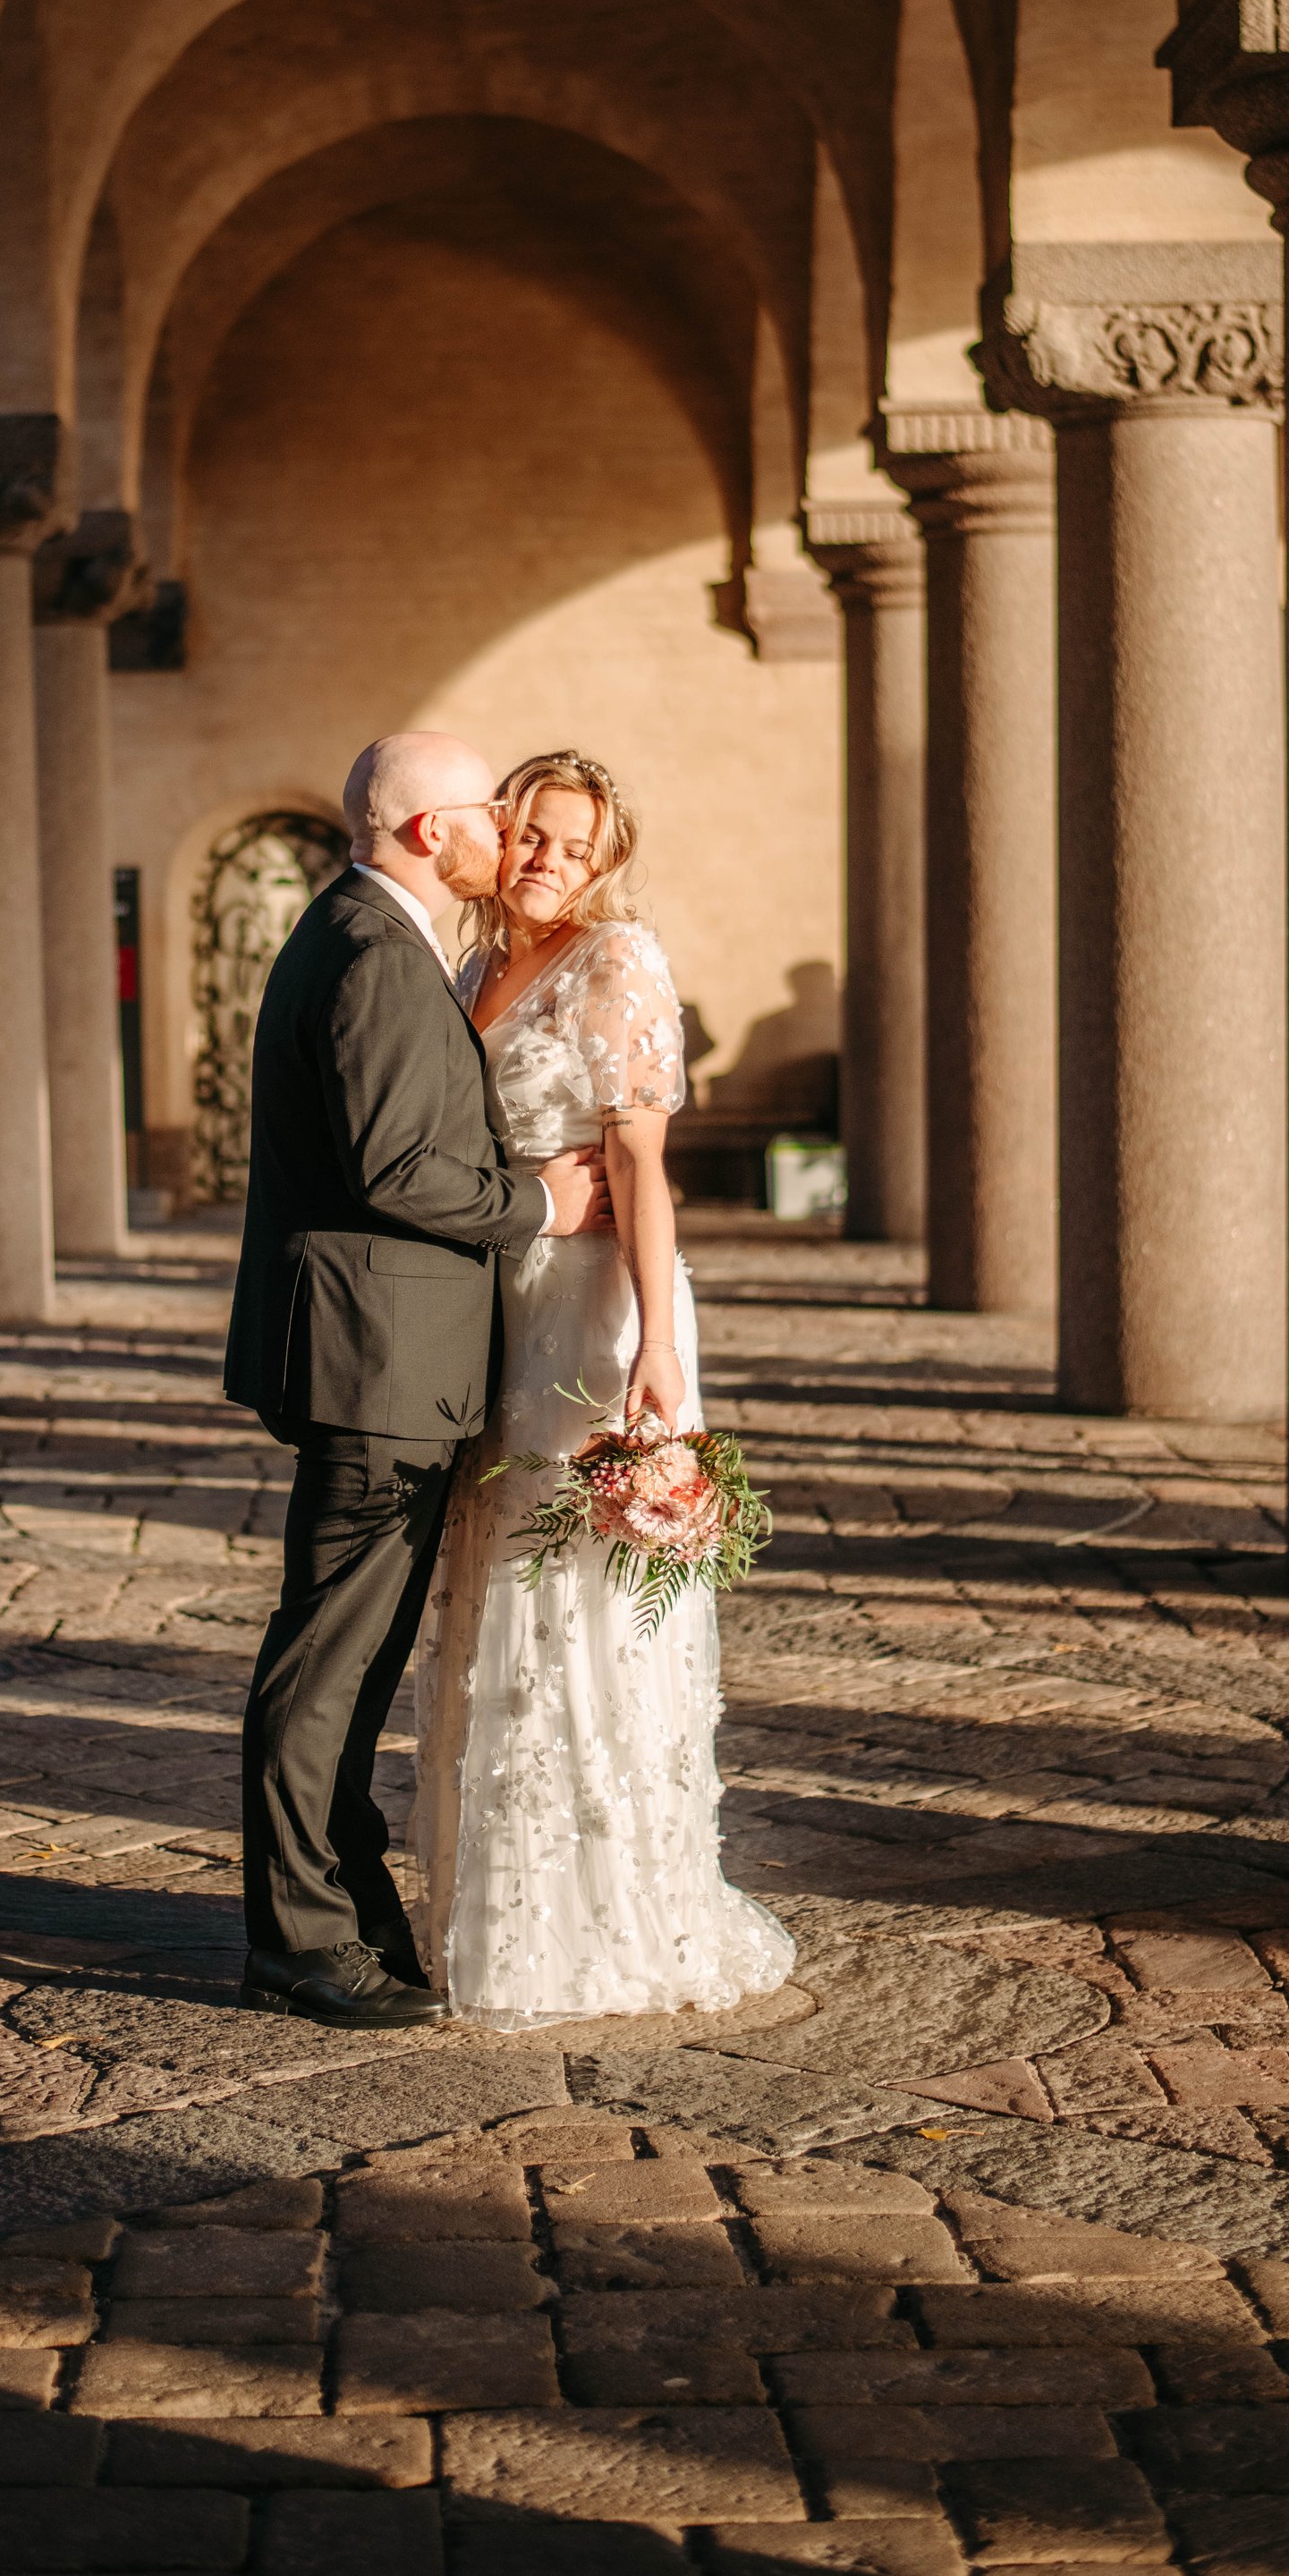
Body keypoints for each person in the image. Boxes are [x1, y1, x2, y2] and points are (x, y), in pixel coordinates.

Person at [228, 730, 614, 2029]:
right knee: (328, 1658)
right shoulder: (376, 955)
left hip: (385, 1355)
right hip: (375, 1360)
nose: (509, 840)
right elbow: (399, 1168)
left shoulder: (374, 937)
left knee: (348, 1650)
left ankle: (339, 1906)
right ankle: (300, 1939)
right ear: (421, 832)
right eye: (488, 818)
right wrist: (543, 1205)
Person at [411, 749, 794, 2026]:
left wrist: (659, 1347)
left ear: (602, 864)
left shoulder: (613, 963)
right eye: (531, 836)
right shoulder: (472, 969)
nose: (546, 863)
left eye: (574, 849)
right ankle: (491, 1903)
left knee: (574, 1590)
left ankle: (603, 1913)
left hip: (593, 1302)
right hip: (500, 1306)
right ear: (498, 833)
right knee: (492, 1576)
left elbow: (639, 1161)